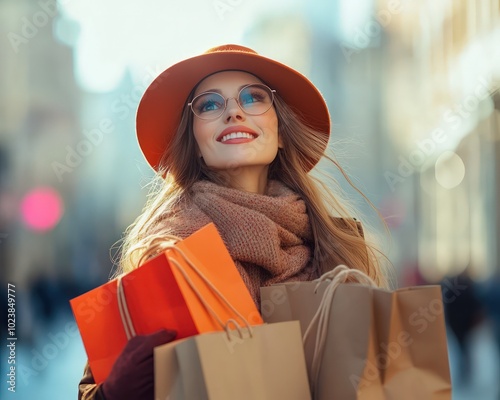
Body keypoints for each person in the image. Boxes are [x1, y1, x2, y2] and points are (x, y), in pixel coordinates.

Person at [78, 44, 387, 400]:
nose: (234, 112)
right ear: (193, 141)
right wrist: (112, 396)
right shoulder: (162, 258)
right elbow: (90, 391)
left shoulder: (339, 252)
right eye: (209, 104)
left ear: (282, 132)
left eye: (253, 98)